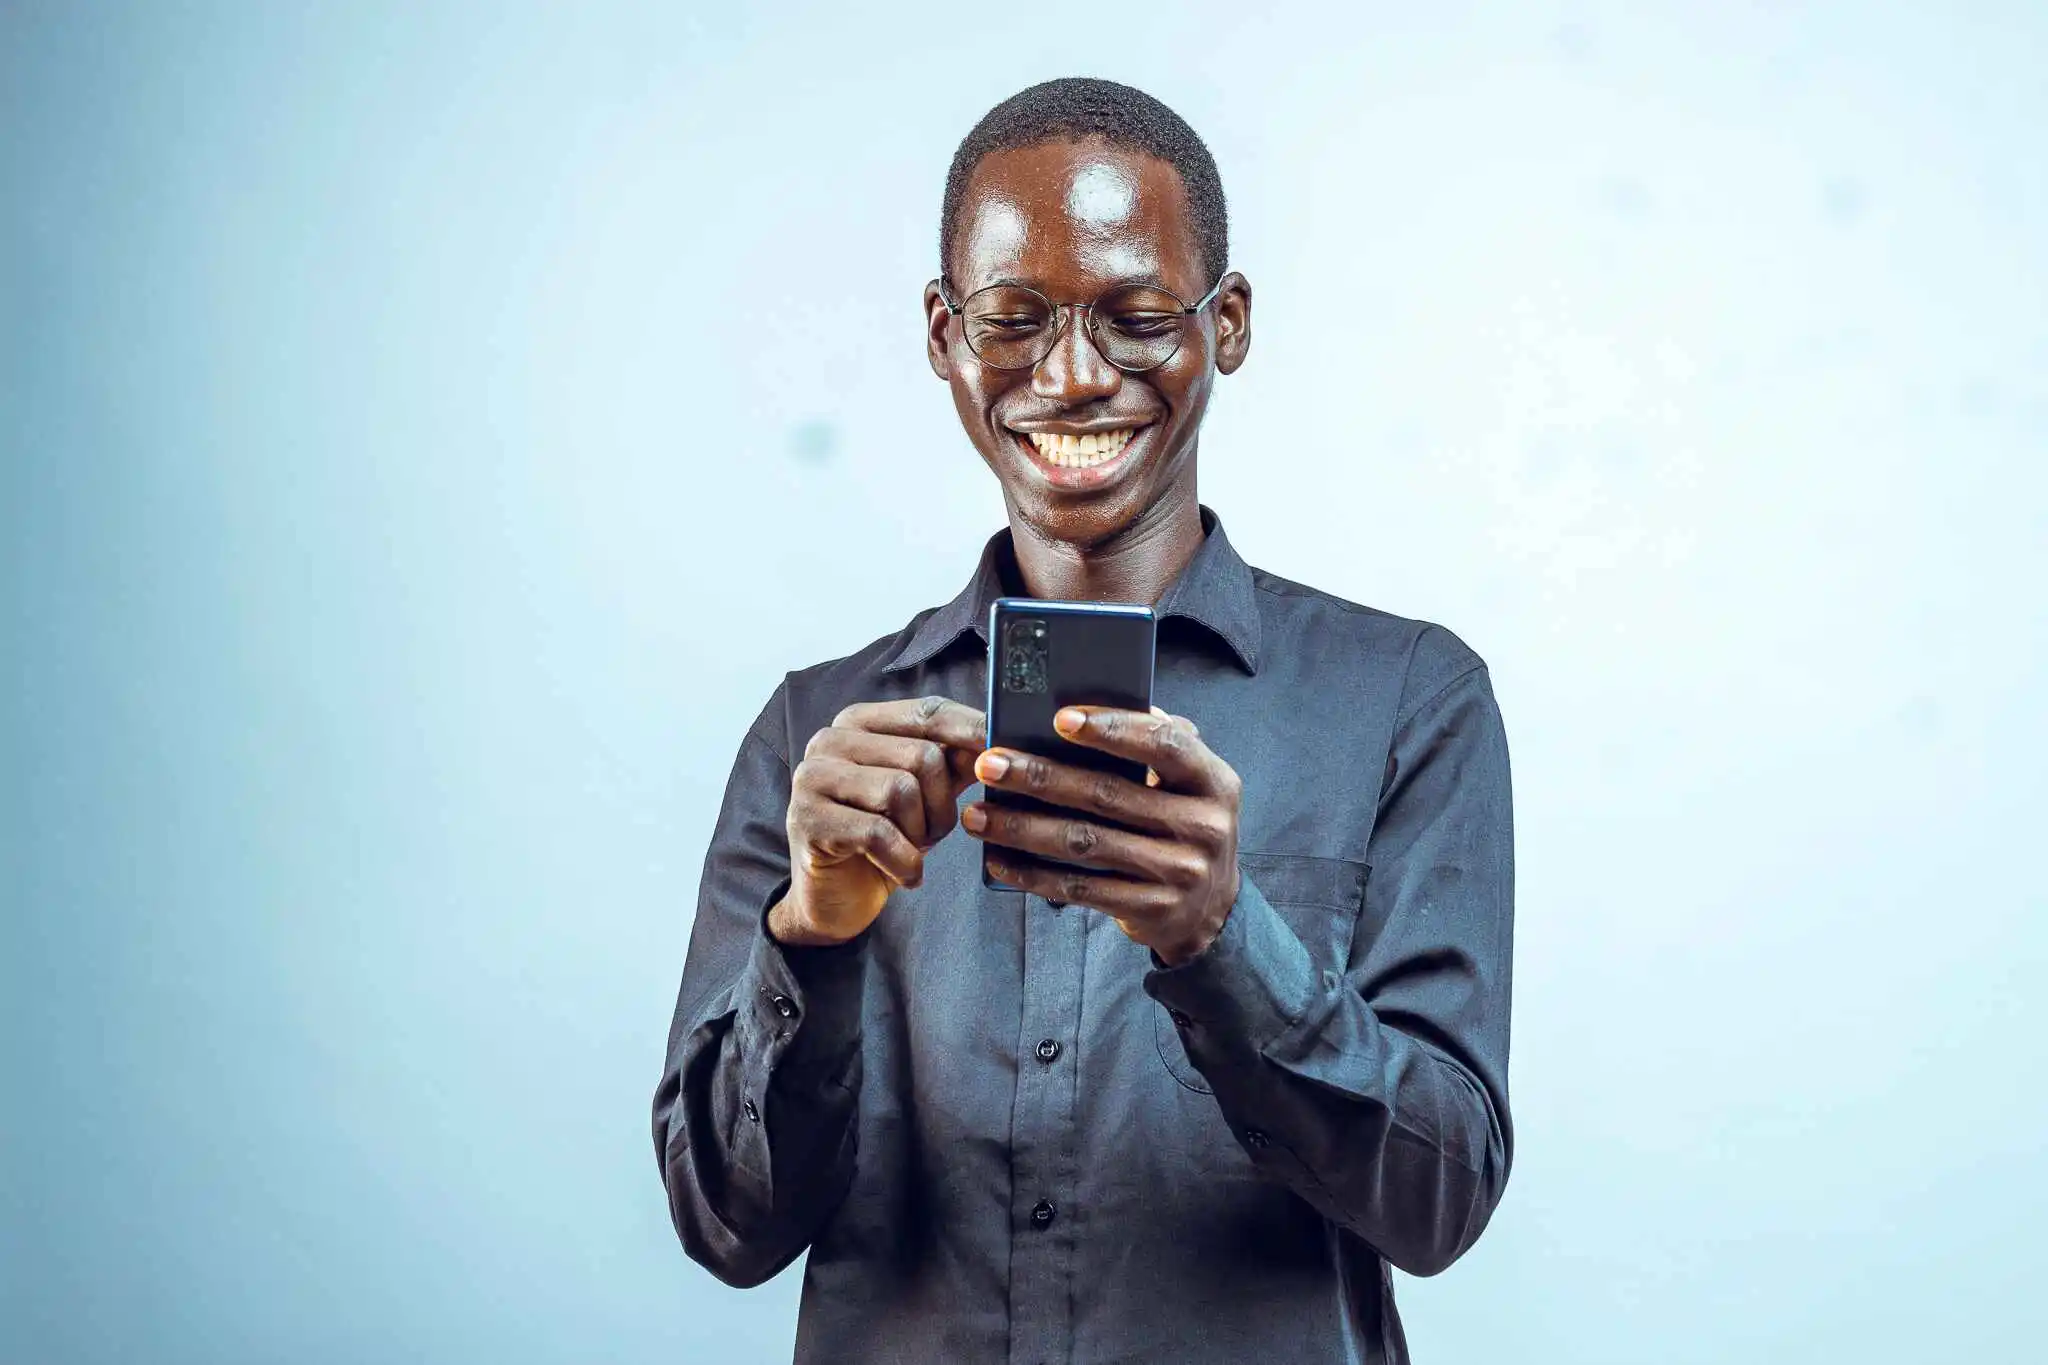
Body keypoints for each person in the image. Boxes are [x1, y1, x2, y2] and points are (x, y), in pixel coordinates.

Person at [652, 77, 1515, 1364]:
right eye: (1012, 318)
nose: (1068, 376)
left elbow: (1437, 1200)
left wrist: (1221, 941)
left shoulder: (1405, 703)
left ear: (1223, 326)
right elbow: (728, 1227)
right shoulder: (817, 736)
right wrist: (812, 936)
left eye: (1135, 316)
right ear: (944, 335)